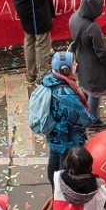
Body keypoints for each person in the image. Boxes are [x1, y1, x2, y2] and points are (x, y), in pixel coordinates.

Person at [42, 51, 94, 184]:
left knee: (53, 164)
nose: (76, 64)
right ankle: (61, 191)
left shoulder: (51, 79)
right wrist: (91, 118)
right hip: (67, 139)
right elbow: (84, 120)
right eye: (73, 63)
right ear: (65, 69)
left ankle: (55, 188)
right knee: (64, 169)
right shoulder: (66, 94)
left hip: (54, 135)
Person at [69, 0, 106, 129]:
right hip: (94, 67)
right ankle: (93, 120)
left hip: (81, 61)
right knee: (94, 93)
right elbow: (101, 52)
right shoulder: (93, 28)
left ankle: (85, 112)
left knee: (85, 88)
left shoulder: (74, 17)